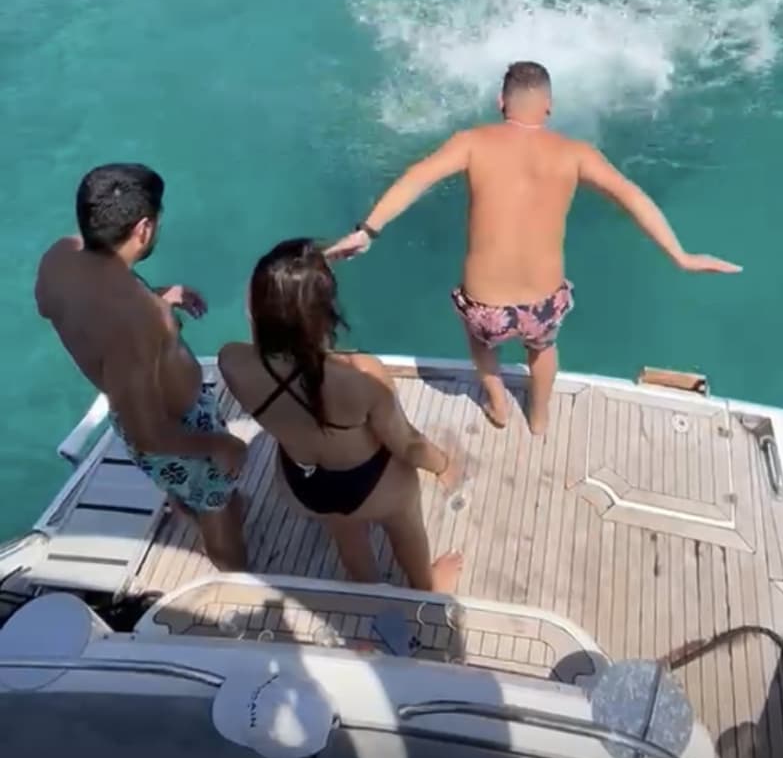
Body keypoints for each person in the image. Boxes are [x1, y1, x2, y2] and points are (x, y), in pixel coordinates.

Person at [326, 61, 741, 436]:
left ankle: (498, 403)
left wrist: (369, 230)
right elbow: (633, 197)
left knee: (481, 344)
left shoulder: (471, 142)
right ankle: (539, 417)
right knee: (542, 351)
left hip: (484, 303)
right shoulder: (576, 154)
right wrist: (680, 256)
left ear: (500, 102)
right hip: (542, 303)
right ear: (549, 107)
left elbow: (417, 178)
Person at [219, 238, 463, 591]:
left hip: (304, 484)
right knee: (405, 525)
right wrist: (444, 465)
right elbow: (406, 444)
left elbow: (262, 323)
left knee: (345, 531)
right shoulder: (359, 373)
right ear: (327, 312)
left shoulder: (233, 361)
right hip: (372, 485)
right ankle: (426, 587)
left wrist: (291, 280)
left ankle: (367, 589)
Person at [35, 164, 247, 570]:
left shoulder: (58, 256)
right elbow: (149, 436)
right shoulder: (136, 321)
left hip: (144, 412)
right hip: (175, 430)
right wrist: (223, 444)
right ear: (144, 229)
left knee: (193, 493)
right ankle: (234, 576)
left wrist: (156, 297)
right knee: (215, 507)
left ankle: (199, 510)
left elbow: (55, 307)